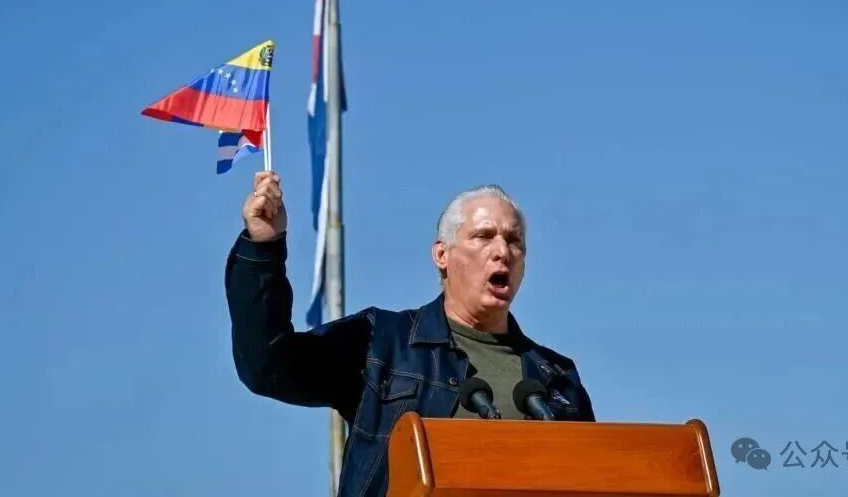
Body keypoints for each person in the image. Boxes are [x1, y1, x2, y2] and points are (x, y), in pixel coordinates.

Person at [225, 171, 595, 497]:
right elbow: (268, 365)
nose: (502, 252)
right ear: (442, 255)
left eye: (514, 241)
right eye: (483, 237)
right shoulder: (381, 342)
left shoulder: (556, 378)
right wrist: (263, 248)